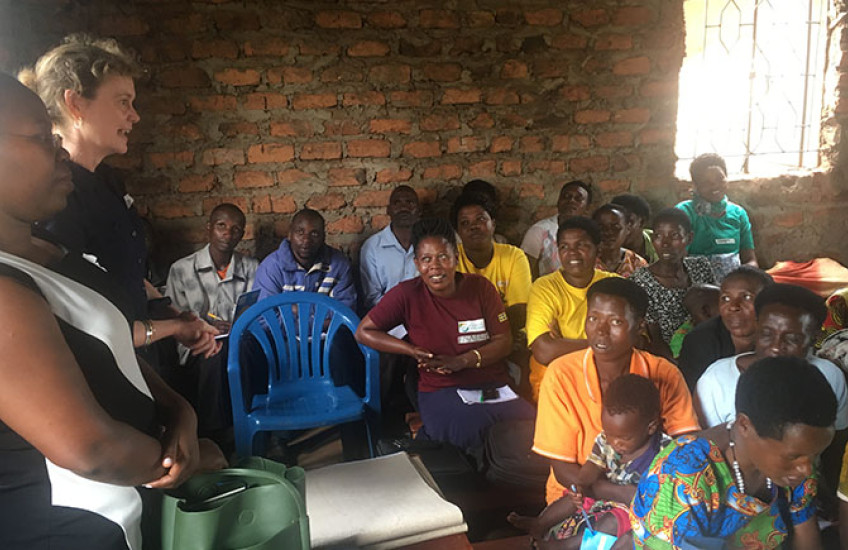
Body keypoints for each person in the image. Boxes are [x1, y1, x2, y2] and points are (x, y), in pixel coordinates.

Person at [0, 73, 225, 549]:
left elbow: (108, 346)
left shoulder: (49, 249)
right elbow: (91, 449)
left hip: (131, 500)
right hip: (78, 524)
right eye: (41, 138)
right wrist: (184, 461)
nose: (61, 153)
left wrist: (178, 408)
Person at [22, 35, 219, 367]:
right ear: (75, 104)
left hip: (137, 360)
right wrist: (174, 328)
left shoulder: (108, 181)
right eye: (123, 102)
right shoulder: (56, 197)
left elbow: (124, 274)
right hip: (103, 371)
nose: (135, 116)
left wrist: (176, 314)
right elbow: (80, 323)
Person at [355, 218, 535, 451]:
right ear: (417, 263)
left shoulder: (481, 288)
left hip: (492, 384)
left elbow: (504, 341)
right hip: (441, 387)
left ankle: (422, 443)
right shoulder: (407, 294)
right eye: (426, 259)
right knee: (463, 436)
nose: (435, 267)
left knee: (532, 434)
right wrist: (410, 350)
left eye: (443, 257)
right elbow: (364, 332)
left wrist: (462, 361)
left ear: (456, 259)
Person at [632, 356, 836, 549]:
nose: (806, 469)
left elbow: (806, 537)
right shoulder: (682, 479)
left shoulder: (796, 463)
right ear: (745, 425)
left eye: (815, 454)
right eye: (794, 456)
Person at [533, 277, 699, 505]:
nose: (600, 331)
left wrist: (646, 497)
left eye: (615, 322)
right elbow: (562, 467)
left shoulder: (665, 374)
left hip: (652, 497)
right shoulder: (561, 374)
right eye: (593, 318)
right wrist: (619, 493)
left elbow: (684, 446)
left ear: (639, 326)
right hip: (576, 499)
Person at [509, 375, 671, 548]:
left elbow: (653, 499)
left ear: (651, 427)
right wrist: (580, 486)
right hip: (605, 497)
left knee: (612, 522)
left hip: (635, 510)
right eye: (609, 434)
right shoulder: (607, 440)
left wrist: (608, 491)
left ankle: (566, 546)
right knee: (572, 497)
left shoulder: (665, 453)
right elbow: (592, 465)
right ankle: (539, 524)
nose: (615, 442)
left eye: (624, 438)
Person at [695, 283, 848, 431]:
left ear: (814, 338)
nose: (776, 347)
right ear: (756, 328)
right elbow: (707, 444)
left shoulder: (829, 376)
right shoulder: (716, 381)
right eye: (766, 334)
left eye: (792, 339)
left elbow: (838, 439)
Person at [164, 203, 258, 442]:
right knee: (214, 353)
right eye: (221, 226)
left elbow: (256, 313)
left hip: (239, 343)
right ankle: (215, 434)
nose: (228, 234)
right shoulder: (182, 269)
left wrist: (238, 326)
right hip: (197, 347)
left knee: (241, 350)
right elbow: (175, 318)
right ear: (209, 228)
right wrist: (206, 328)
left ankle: (249, 427)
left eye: (235, 229)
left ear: (242, 234)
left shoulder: (251, 268)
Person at [524, 216, 617, 400]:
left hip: (605, 378)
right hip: (557, 380)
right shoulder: (545, 287)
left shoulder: (614, 285)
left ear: (598, 249)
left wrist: (561, 344)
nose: (572, 253)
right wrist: (605, 345)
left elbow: (636, 342)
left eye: (581, 245)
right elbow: (544, 351)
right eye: (564, 247)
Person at [677, 266, 773, 390]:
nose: (733, 306)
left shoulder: (780, 338)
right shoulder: (700, 342)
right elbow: (690, 395)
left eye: (746, 297)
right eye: (726, 298)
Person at [630, 207, 716, 345]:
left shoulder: (700, 267)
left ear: (689, 238)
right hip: (669, 354)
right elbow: (656, 341)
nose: (665, 243)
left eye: (674, 235)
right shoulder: (640, 282)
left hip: (711, 343)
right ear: (652, 239)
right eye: (658, 236)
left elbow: (717, 311)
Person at [453, 192, 531, 338]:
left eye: (480, 219)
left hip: (509, 334)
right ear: (458, 232)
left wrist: (477, 326)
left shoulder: (514, 256)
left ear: (493, 224)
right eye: (465, 223)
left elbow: (520, 311)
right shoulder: (451, 258)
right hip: (464, 338)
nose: (474, 226)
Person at [675, 153, 758, 280]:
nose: (715, 186)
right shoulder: (684, 212)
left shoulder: (738, 213)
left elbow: (750, 260)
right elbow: (677, 263)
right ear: (695, 186)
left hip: (733, 285)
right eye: (706, 182)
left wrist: (742, 280)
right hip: (695, 284)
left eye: (720, 179)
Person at [253, 208, 356, 309]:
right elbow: (264, 315)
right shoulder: (271, 267)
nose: (306, 240)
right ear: (290, 234)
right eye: (300, 232)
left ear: (323, 237)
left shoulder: (339, 265)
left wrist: (294, 310)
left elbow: (345, 311)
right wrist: (319, 315)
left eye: (314, 234)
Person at [359, 185, 421, 312]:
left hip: (424, 314)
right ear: (388, 210)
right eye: (397, 203)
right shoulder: (372, 247)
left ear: (419, 210)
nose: (404, 208)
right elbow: (372, 298)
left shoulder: (430, 245)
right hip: (388, 317)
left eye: (410, 203)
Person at [521, 180, 592, 278]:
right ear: (558, 202)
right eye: (566, 197)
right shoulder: (539, 231)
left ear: (587, 208)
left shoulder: (592, 233)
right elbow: (525, 271)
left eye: (578, 199)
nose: (571, 201)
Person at [591, 203, 647, 277]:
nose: (608, 232)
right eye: (601, 228)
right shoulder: (585, 260)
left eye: (616, 227)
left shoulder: (636, 263)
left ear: (628, 229)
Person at [668, 283, 720, 359]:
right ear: (706, 312)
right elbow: (680, 361)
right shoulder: (683, 339)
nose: (732, 306)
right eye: (724, 301)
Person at [610, 193, 658, 263]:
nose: (623, 228)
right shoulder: (604, 246)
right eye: (616, 223)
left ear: (642, 222)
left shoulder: (659, 242)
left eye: (629, 222)